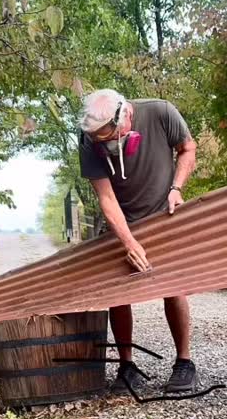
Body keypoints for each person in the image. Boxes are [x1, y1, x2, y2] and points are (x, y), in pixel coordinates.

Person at [78, 89, 198, 394]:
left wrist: (177, 187)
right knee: (119, 293)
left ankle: (184, 363)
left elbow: (187, 148)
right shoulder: (89, 139)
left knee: (172, 286)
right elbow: (106, 196)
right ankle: (127, 366)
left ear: (126, 115)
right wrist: (129, 241)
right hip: (122, 221)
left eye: (110, 137)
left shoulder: (161, 112)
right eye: (100, 140)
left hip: (163, 214)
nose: (106, 144)